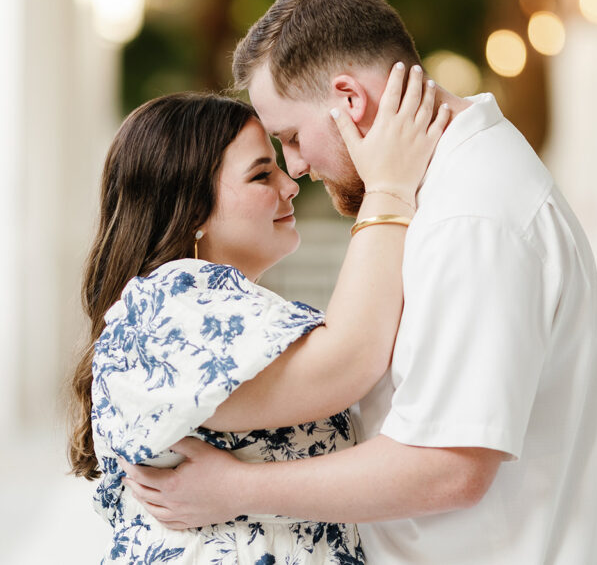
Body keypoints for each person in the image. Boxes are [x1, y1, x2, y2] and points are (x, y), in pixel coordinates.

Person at [122, 0, 597, 564]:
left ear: (349, 99)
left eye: (290, 137)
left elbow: (448, 468)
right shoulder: (448, 196)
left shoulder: (469, 218)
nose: (298, 168)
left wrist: (234, 491)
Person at [69, 80, 449, 563]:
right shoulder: (168, 301)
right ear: (192, 211)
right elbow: (347, 362)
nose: (290, 184)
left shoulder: (214, 303)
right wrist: (389, 188)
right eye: (260, 175)